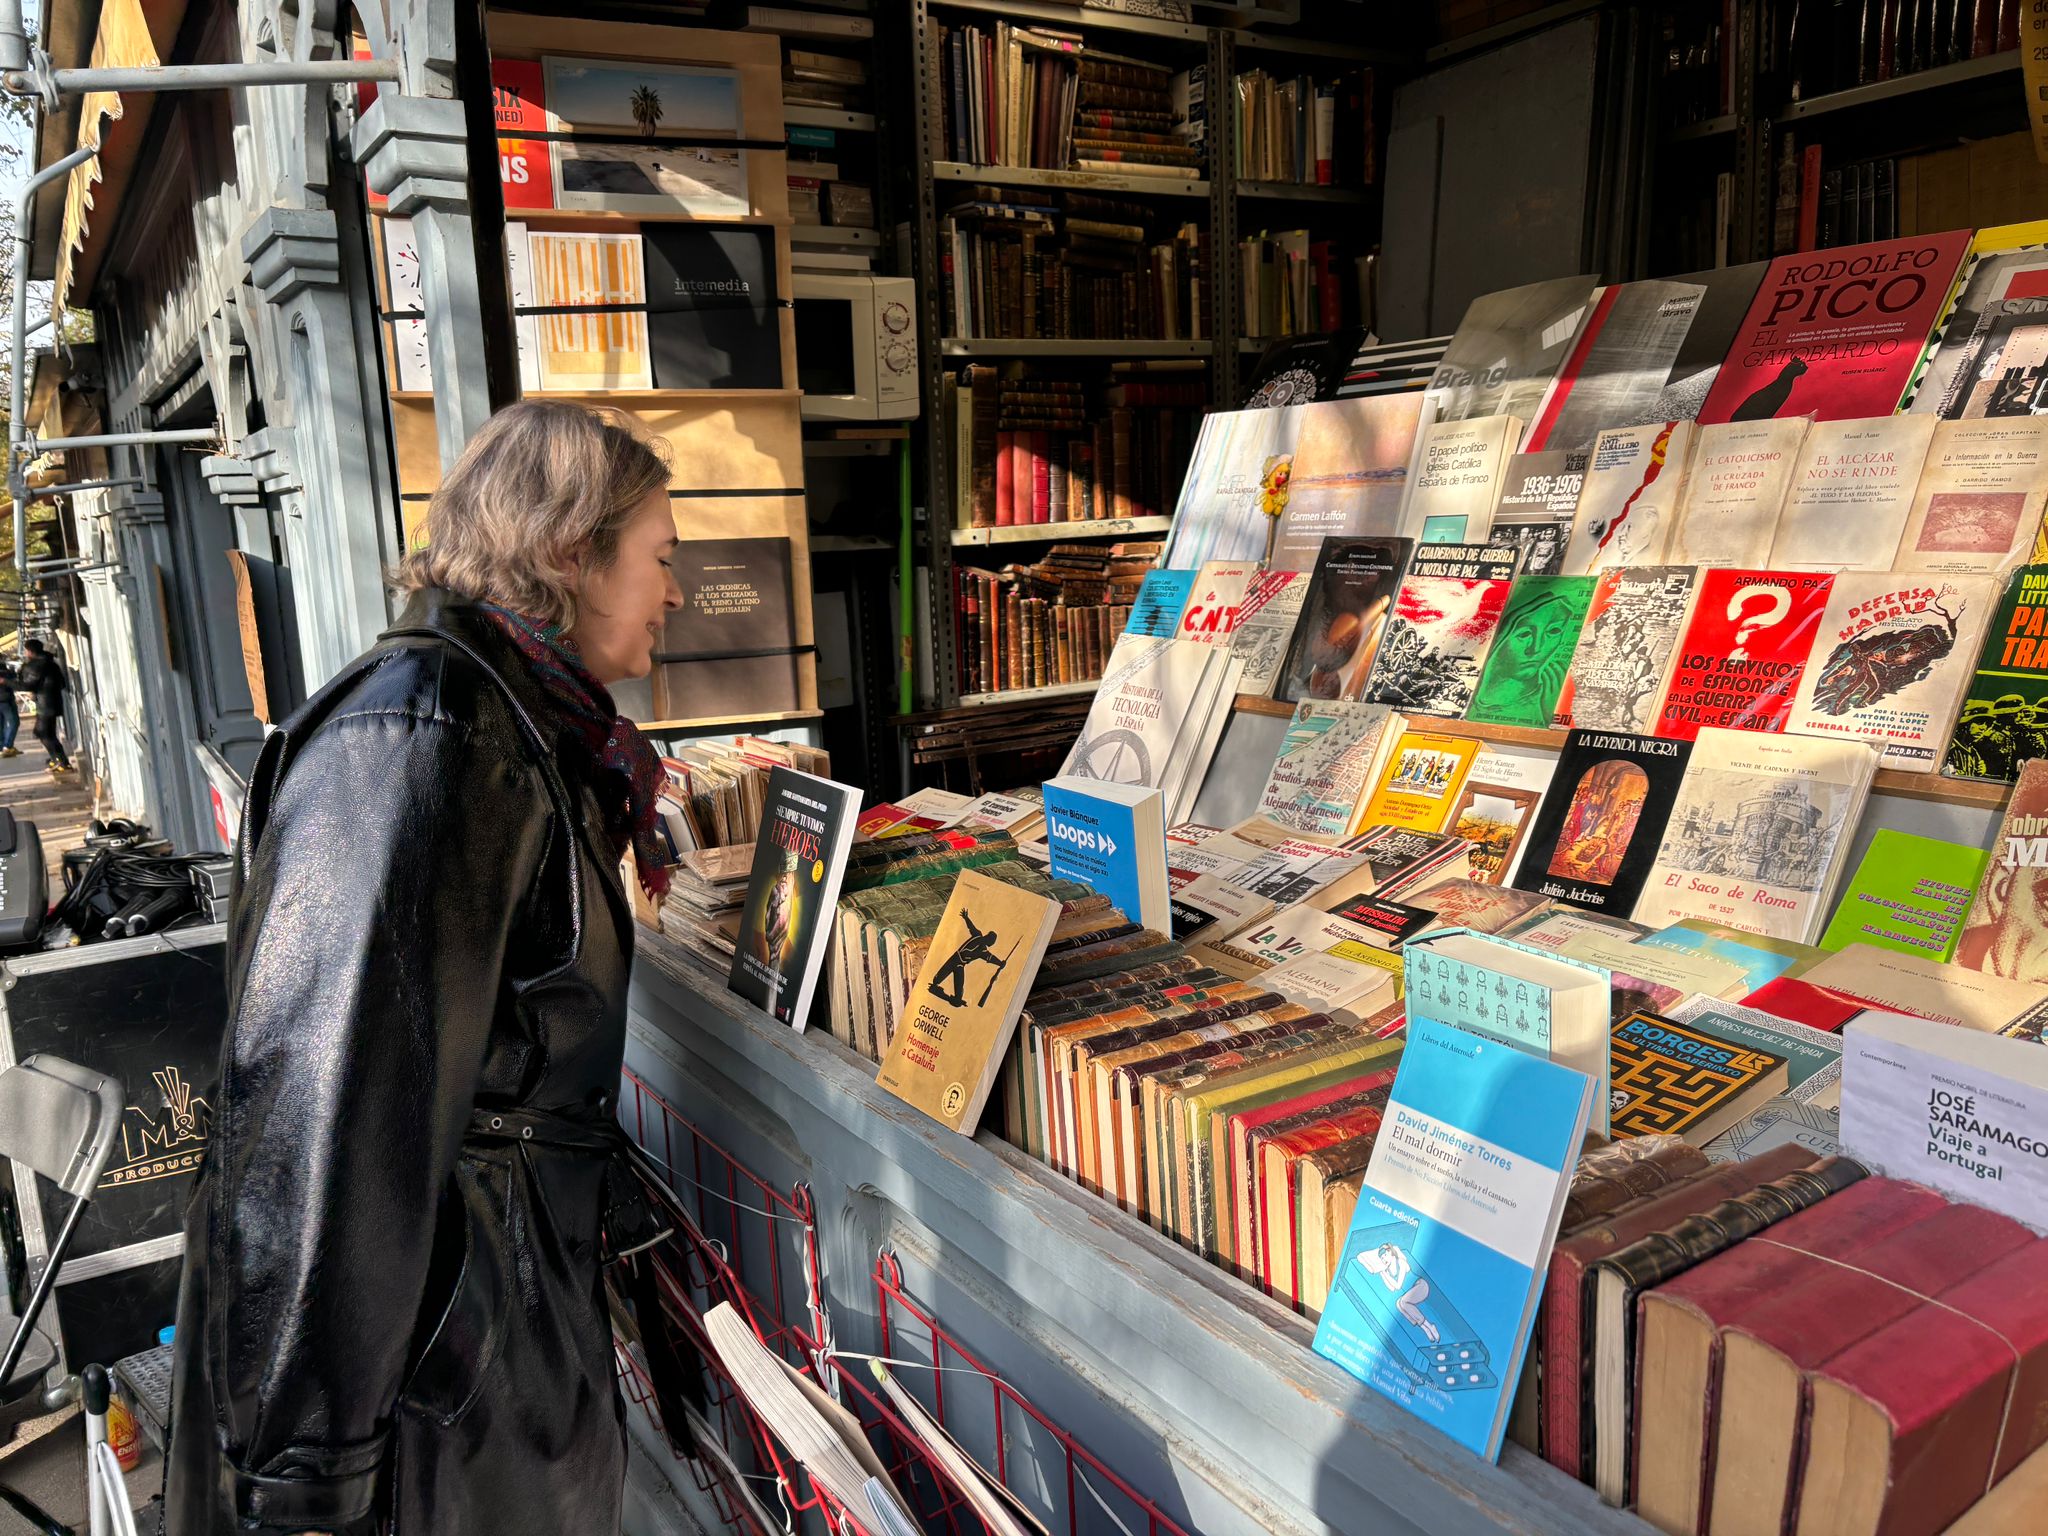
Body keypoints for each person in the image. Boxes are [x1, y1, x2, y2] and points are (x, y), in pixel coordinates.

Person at [166, 400, 685, 1536]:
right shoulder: (426, 736)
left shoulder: (504, 721)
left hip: (472, 1373)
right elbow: (321, 1124)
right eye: (660, 556)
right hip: (427, 1416)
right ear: (570, 554)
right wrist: (304, 1488)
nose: (676, 591)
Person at [16, 638, 69, 772]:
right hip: (52, 702)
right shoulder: (51, 663)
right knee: (47, 733)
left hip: (45, 704)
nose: (25, 653)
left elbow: (26, 685)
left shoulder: (36, 665)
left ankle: (61, 761)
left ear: (30, 651)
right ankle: (57, 759)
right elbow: (62, 683)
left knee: (43, 733)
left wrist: (7, 682)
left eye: (26, 650)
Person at [0, 655, 19, 757]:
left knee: (1, 725)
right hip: (5, 699)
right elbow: (12, 680)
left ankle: (2, 747)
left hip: (4, 699)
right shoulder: (4, 670)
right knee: (14, 722)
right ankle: (7, 746)